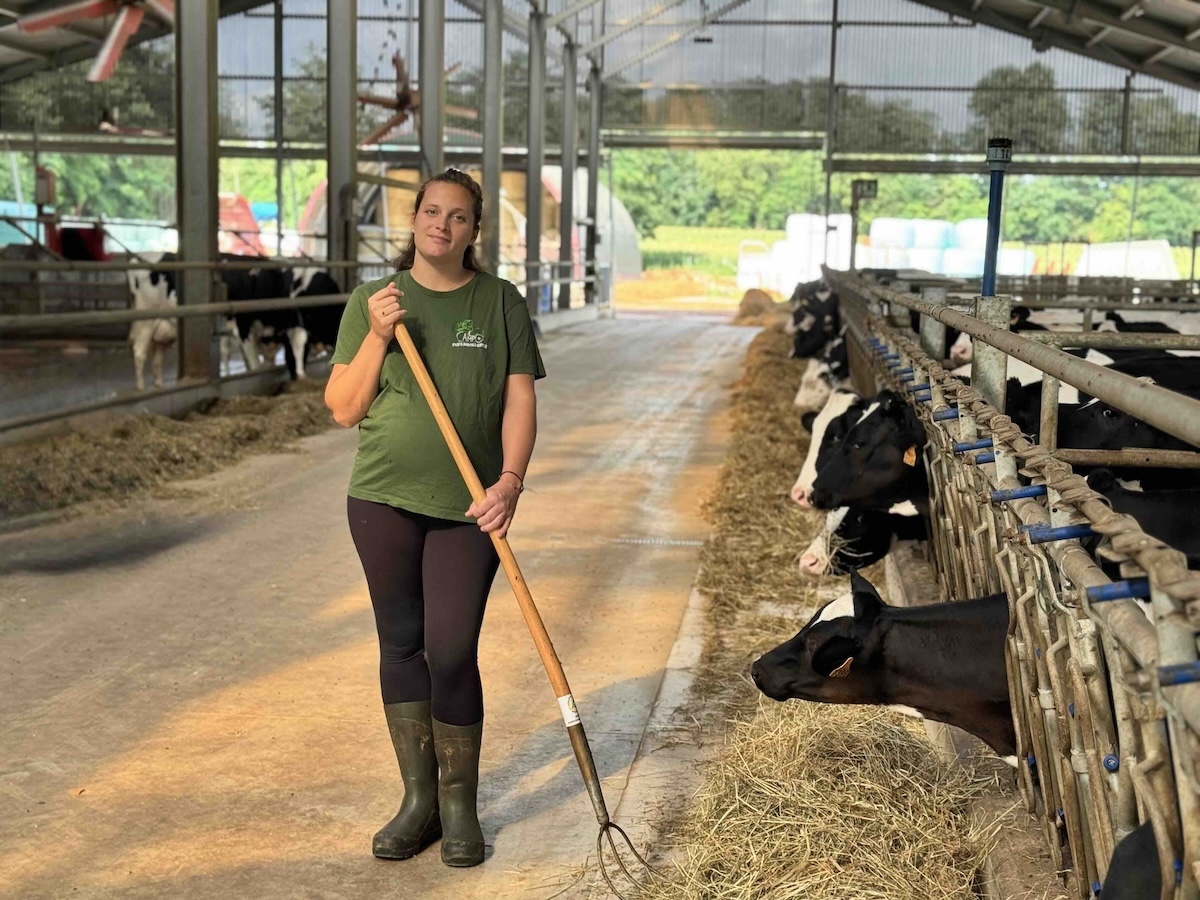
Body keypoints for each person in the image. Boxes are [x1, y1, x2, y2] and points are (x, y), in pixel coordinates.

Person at [324, 168, 545, 868]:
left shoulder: (500, 302)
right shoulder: (374, 301)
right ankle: (418, 802)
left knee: (451, 650)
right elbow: (343, 408)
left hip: (466, 507)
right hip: (382, 497)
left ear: (474, 231)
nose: (440, 225)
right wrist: (379, 338)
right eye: (430, 211)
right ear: (413, 218)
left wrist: (509, 482)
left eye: (456, 217)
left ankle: (459, 803)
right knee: (401, 644)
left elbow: (518, 402)